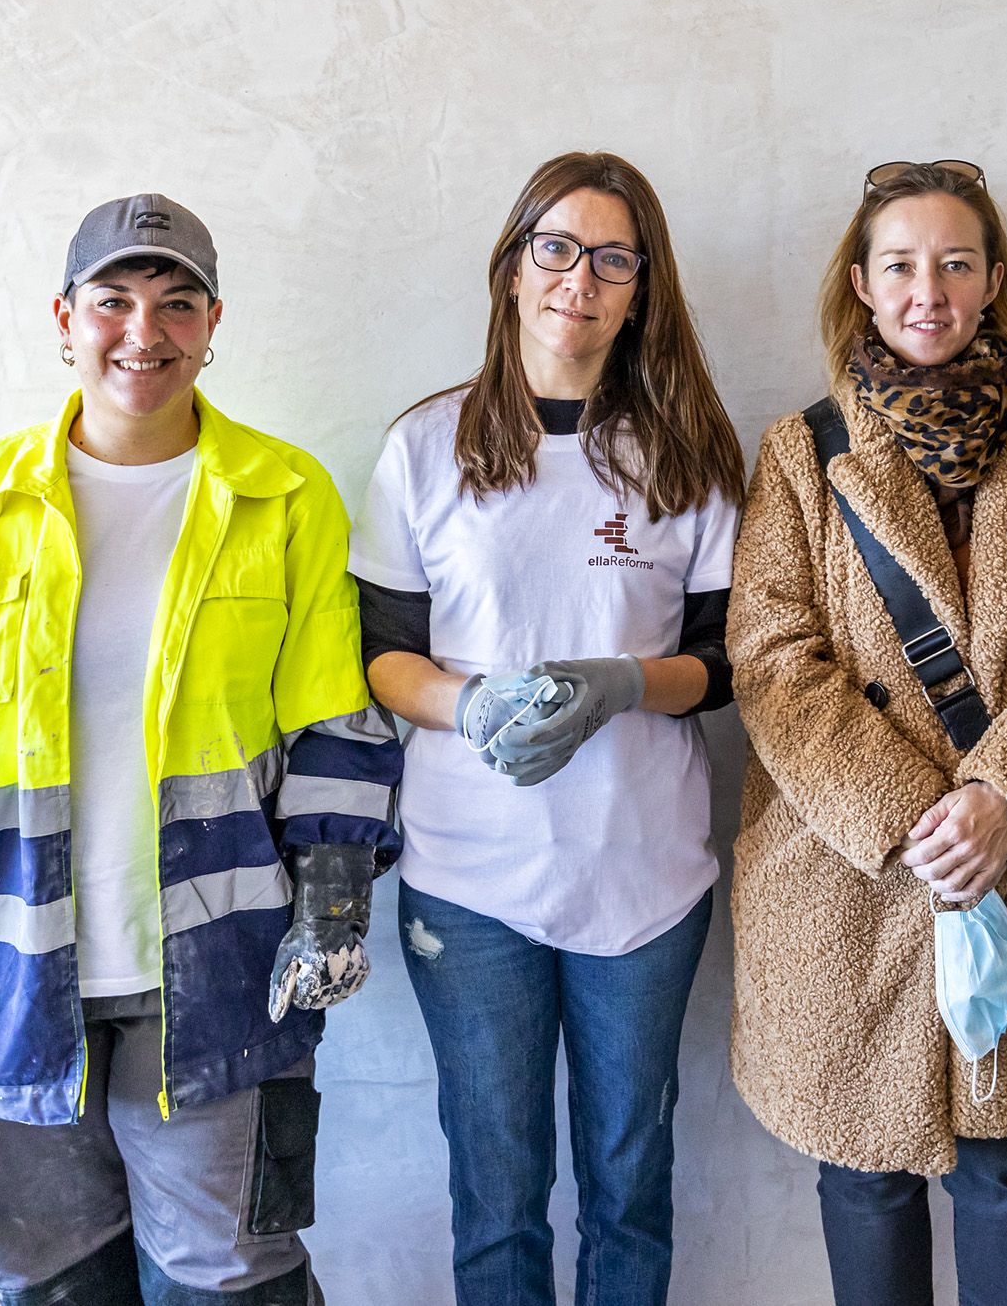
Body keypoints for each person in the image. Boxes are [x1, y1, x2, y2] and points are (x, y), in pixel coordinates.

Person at [0, 194, 402, 1305]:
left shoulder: (284, 495)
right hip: (1, 972)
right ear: (64, 319)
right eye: (112, 301)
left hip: (218, 974)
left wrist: (334, 900)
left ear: (213, 325)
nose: (142, 332)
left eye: (176, 303)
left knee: (231, 1278)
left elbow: (334, 725)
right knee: (52, 1279)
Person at [727, 159, 1007, 1306]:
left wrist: (1002, 795)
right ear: (861, 283)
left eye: (954, 263)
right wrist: (918, 815)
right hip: (846, 877)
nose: (929, 290)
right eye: (901, 264)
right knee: (863, 1171)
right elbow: (769, 656)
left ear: (991, 280)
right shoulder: (799, 451)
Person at [350, 151, 744, 1305]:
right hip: (467, 880)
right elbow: (382, 654)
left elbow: (725, 665)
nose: (580, 278)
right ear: (512, 269)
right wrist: (468, 704)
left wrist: (622, 682)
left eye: (612, 259)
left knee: (629, 1185)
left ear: (641, 288)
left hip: (644, 874)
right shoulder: (424, 446)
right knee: (496, 1193)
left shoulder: (689, 456)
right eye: (556, 248)